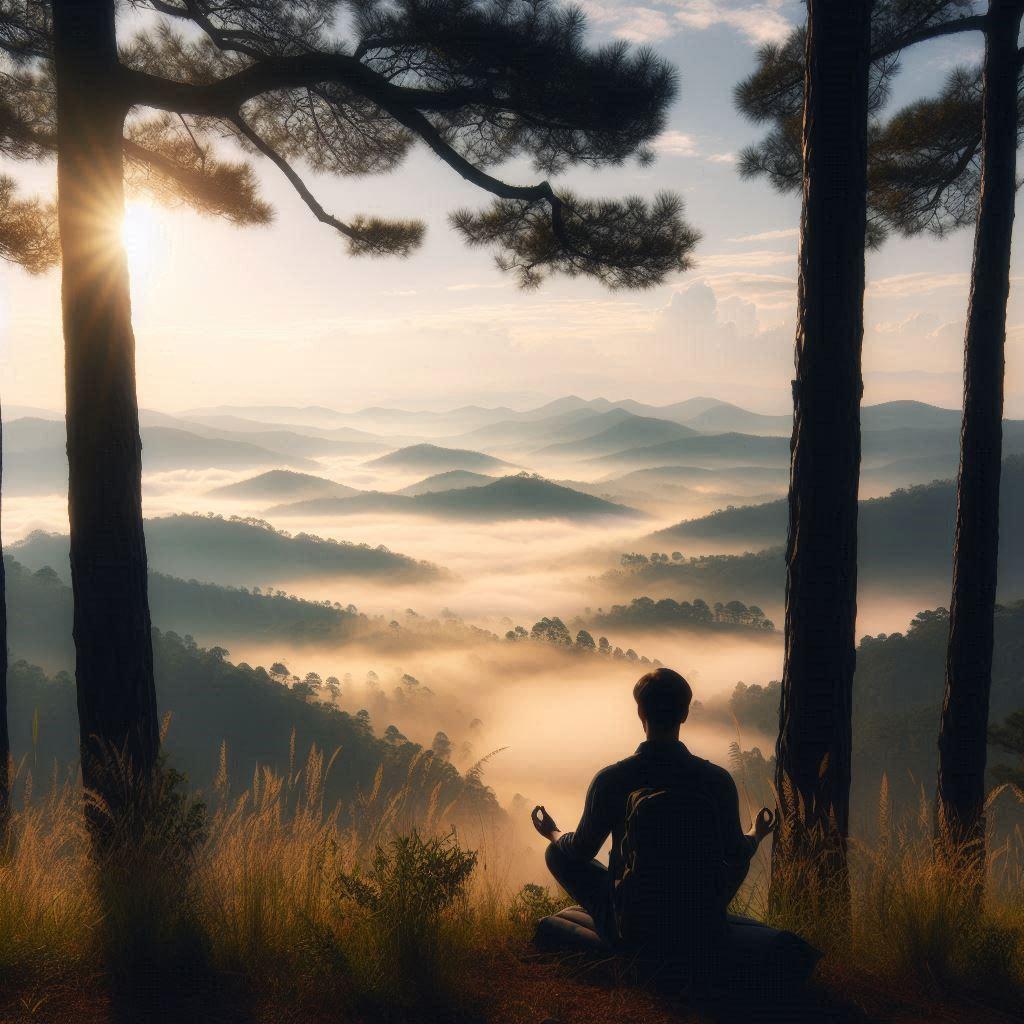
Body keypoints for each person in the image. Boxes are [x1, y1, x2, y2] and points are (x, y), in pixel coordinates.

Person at [530, 667, 819, 996]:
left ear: (640, 711)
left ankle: (622, 941)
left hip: (632, 921)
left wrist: (553, 832)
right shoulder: (715, 780)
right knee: (738, 860)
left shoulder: (612, 779)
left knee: (557, 853)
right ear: (684, 712)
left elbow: (580, 851)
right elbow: (736, 853)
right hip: (699, 917)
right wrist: (756, 833)